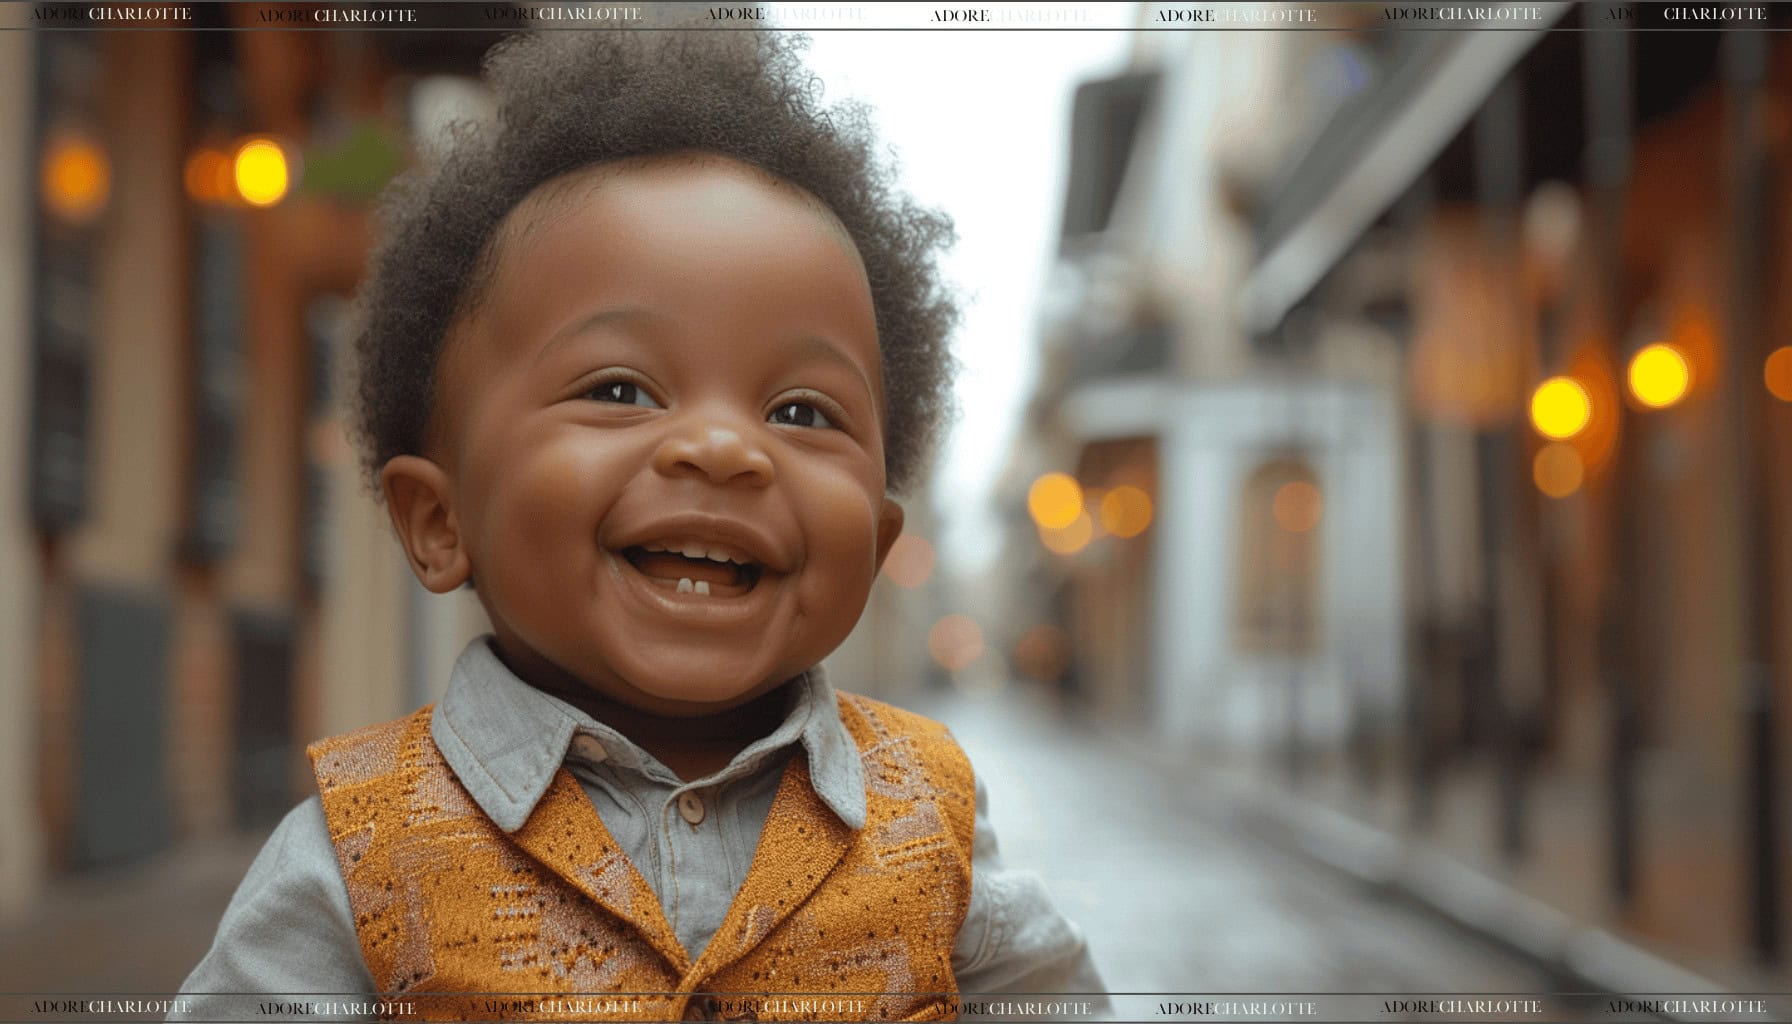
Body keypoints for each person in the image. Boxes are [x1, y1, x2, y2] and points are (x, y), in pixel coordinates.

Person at [173, 27, 1106, 1023]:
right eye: (619, 388)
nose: (722, 447)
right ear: (438, 521)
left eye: (800, 411)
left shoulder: (935, 823)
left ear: (875, 548)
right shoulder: (355, 855)